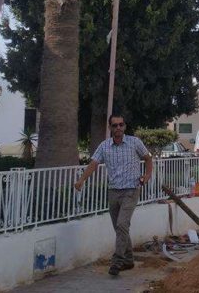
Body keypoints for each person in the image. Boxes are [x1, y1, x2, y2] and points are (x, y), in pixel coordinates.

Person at [75, 114, 152, 276]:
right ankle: (129, 260)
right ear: (110, 127)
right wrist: (81, 180)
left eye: (121, 125)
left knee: (122, 224)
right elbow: (93, 164)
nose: (118, 128)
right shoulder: (104, 146)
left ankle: (117, 261)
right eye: (115, 125)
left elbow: (148, 158)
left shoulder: (134, 142)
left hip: (131, 189)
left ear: (125, 126)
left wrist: (147, 175)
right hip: (113, 191)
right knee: (120, 228)